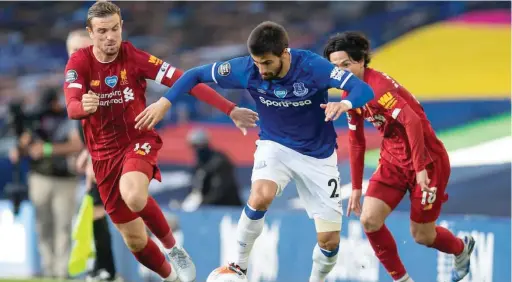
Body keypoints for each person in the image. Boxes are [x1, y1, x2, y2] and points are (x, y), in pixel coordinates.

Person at [136, 21, 374, 282]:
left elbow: (363, 89)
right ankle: (237, 265)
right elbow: (193, 75)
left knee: (329, 242)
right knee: (261, 195)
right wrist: (164, 102)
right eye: (257, 62)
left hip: (318, 155)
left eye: (267, 63)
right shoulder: (244, 68)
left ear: (285, 53)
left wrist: (345, 103)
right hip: (275, 145)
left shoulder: (313, 67)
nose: (261, 70)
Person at [62, 2, 257, 282]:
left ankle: (173, 249)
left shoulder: (135, 57)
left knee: (134, 194)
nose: (110, 36)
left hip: (137, 141)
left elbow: (184, 80)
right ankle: (171, 278)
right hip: (103, 157)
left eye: (115, 29)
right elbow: (71, 107)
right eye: (102, 31)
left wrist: (230, 109)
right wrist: (84, 106)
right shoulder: (79, 62)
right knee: (135, 241)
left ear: (121, 27)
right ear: (90, 33)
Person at [323, 31, 474, 282]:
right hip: (393, 160)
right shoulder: (350, 94)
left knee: (422, 236)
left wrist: (420, 168)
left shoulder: (379, 87)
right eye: (335, 67)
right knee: (369, 220)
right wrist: (358, 187)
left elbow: (412, 122)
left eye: (346, 64)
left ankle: (460, 248)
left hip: (428, 161)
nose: (340, 72)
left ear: (361, 61)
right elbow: (356, 140)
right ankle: (402, 280)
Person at [9, 87, 84, 279]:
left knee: (63, 225)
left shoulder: (68, 117)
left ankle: (61, 270)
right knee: (43, 224)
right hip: (39, 177)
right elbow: (25, 145)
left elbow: (77, 144)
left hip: (65, 179)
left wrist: (48, 149)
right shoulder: (34, 119)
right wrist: (19, 149)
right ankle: (48, 269)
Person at [67, 29, 117, 281]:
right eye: (74, 50)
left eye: (83, 49)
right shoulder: (77, 81)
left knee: (104, 210)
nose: (79, 55)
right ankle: (103, 266)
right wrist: (87, 152)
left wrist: (96, 158)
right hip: (97, 155)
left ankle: (107, 268)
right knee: (97, 209)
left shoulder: (105, 80)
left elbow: (112, 124)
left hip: (116, 154)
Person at [186, 128, 243, 207]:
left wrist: (202, 203)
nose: (196, 150)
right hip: (208, 207)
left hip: (228, 206)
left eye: (198, 146)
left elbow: (220, 190)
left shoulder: (220, 161)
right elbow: (196, 186)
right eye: (193, 146)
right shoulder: (200, 163)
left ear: (205, 144)